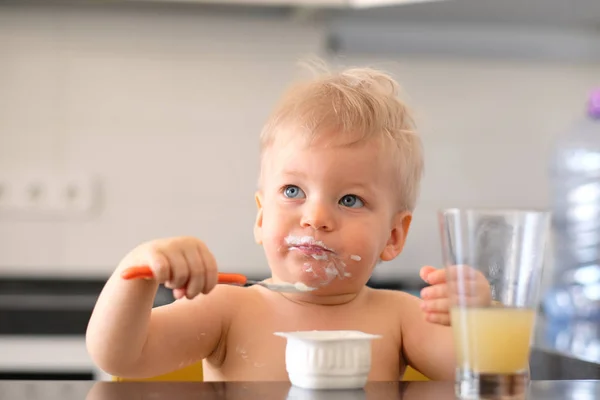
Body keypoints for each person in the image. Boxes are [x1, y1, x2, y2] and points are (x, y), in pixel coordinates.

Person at [86, 63, 486, 382]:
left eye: (350, 199)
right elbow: (120, 356)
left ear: (394, 235)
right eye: (293, 191)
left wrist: (476, 318)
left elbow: (485, 379)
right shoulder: (226, 310)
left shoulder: (400, 316)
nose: (315, 218)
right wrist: (138, 270)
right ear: (261, 217)